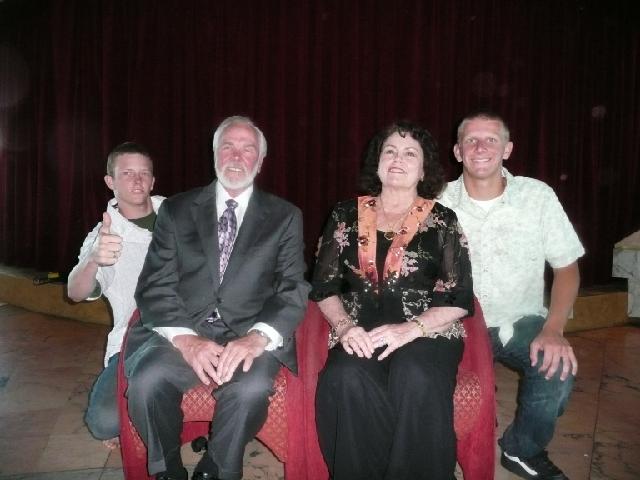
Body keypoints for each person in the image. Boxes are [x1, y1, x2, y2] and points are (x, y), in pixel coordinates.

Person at [124, 116, 310, 480]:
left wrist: (257, 337)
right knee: (147, 382)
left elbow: (292, 288)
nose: (236, 156)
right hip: (184, 330)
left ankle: (216, 469)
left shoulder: (285, 216)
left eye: (247, 149)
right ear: (214, 155)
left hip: (247, 334)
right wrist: (187, 340)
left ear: (260, 161)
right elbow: (155, 284)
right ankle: (168, 471)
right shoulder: (176, 210)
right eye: (228, 147)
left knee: (250, 389)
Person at [310, 121, 473, 480]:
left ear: (423, 169)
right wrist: (344, 327)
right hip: (359, 333)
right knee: (346, 377)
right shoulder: (343, 215)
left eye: (410, 153)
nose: (398, 159)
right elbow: (323, 287)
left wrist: (410, 329)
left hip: (427, 333)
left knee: (414, 374)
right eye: (390, 151)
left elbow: (459, 297)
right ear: (378, 162)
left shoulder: (443, 221)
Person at [439, 111, 584, 480]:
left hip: (521, 319)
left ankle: (521, 449)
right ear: (457, 151)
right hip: (459, 322)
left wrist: (554, 328)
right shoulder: (438, 202)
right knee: (436, 386)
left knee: (557, 371)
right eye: (471, 140)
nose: (480, 147)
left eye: (491, 139)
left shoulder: (537, 196)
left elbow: (566, 268)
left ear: (507, 149)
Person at [67, 142, 164, 449]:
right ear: (110, 181)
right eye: (127, 173)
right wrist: (93, 260)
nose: (137, 180)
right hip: (134, 341)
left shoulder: (178, 215)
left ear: (152, 181)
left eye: (143, 173)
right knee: (103, 422)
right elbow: (75, 292)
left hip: (189, 332)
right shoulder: (104, 236)